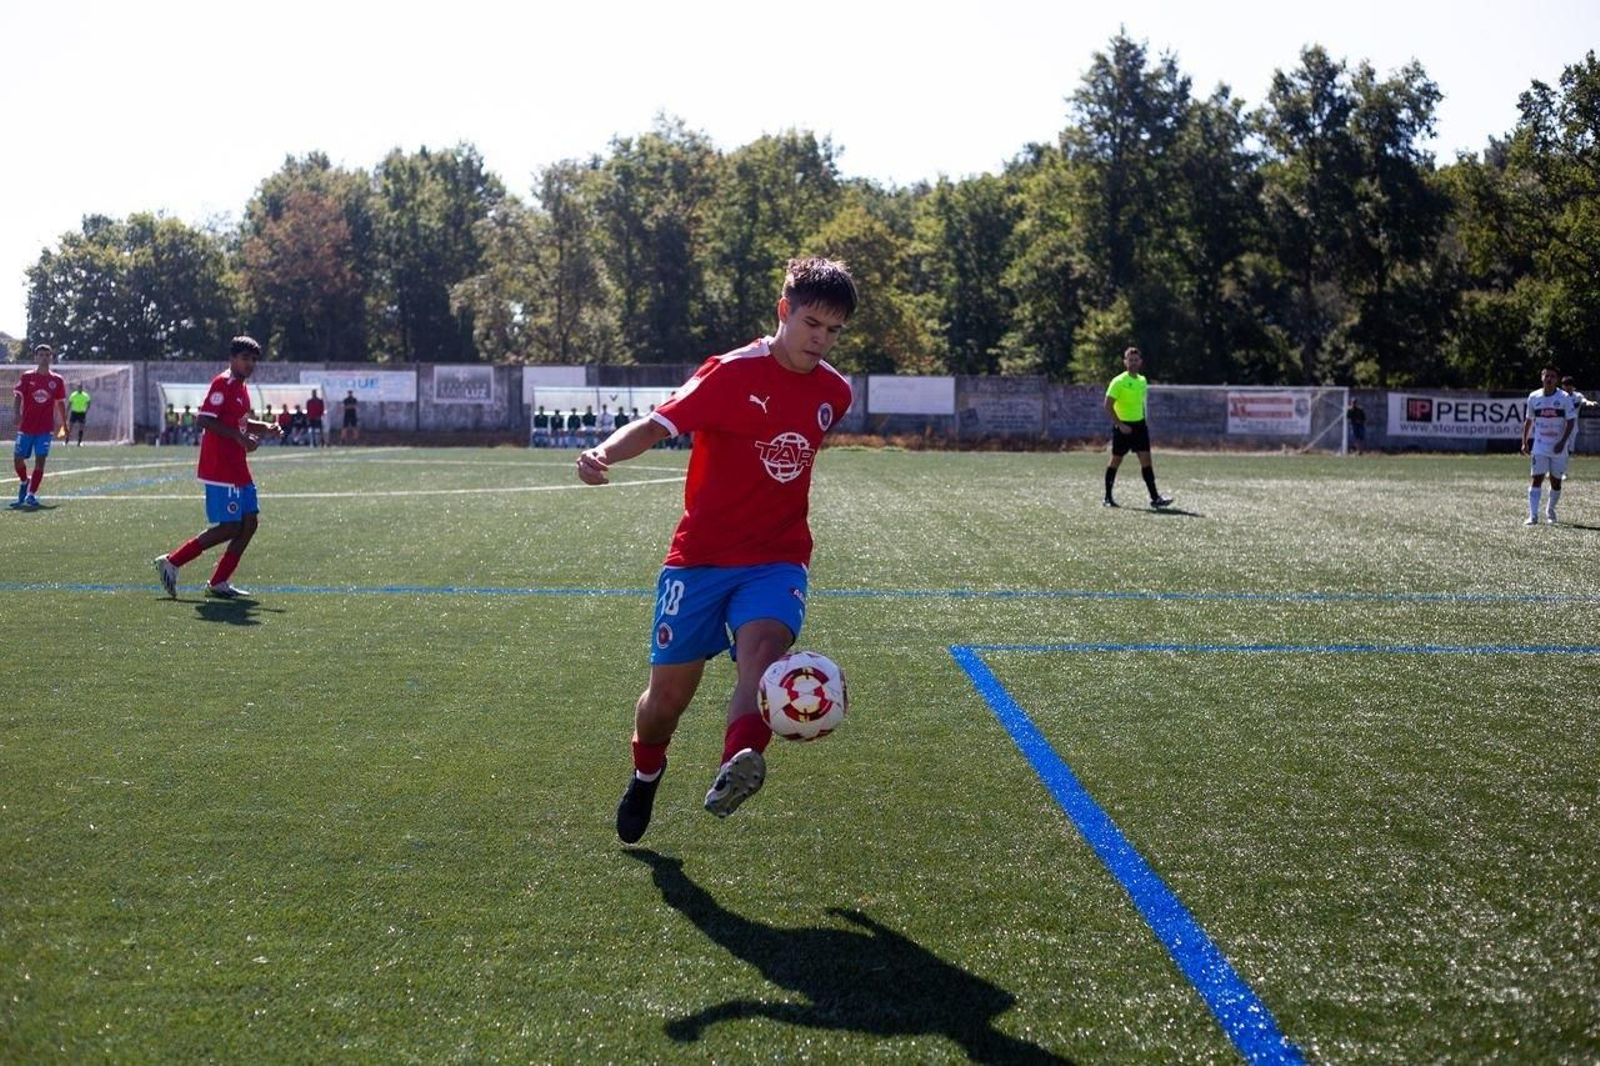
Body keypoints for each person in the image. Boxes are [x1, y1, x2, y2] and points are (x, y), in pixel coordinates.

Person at [577, 256, 857, 844]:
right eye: (811, 323)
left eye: (833, 331)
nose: (821, 339)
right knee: (666, 700)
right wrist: (603, 453)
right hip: (699, 559)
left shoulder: (835, 392)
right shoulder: (729, 373)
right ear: (784, 312)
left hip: (777, 558)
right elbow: (656, 425)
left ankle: (740, 760)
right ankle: (646, 772)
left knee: (762, 653)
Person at [152, 336, 283, 599]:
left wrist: (265, 428)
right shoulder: (222, 383)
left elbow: (240, 422)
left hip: (238, 466)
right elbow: (204, 419)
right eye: (245, 358)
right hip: (221, 468)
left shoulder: (242, 388)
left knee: (249, 524)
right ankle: (172, 561)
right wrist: (239, 437)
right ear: (232, 358)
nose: (250, 364)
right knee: (230, 527)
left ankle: (219, 581)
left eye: (253, 359)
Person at [1102, 346, 1172, 508]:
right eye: (1130, 360)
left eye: (1136, 360)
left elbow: (1138, 404)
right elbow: (1107, 405)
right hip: (1123, 427)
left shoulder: (1142, 381)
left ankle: (1155, 498)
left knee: (1146, 461)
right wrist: (1120, 424)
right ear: (1125, 362)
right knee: (1115, 461)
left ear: (1140, 362)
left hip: (1140, 427)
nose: (1133, 363)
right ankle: (1107, 497)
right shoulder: (1118, 381)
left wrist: (1142, 421)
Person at [11, 344, 68, 508]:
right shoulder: (27, 377)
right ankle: (24, 481)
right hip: (26, 426)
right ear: (35, 357)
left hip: (45, 428)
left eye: (47, 355)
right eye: (41, 355)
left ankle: (31, 494)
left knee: (40, 460)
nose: (44, 357)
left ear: (51, 357)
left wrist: (64, 424)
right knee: (17, 460)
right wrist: (16, 413)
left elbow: (60, 403)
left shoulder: (57, 380)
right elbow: (18, 396)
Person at [1521, 366, 1579, 525]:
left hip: (1559, 447)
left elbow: (1571, 421)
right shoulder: (1533, 397)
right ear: (1542, 377)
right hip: (1540, 446)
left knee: (1556, 481)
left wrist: (1562, 442)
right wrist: (1524, 441)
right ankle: (1533, 516)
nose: (1549, 379)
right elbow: (1529, 420)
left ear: (1557, 380)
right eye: (1547, 376)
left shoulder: (1565, 398)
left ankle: (1550, 510)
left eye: (1553, 376)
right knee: (1536, 478)